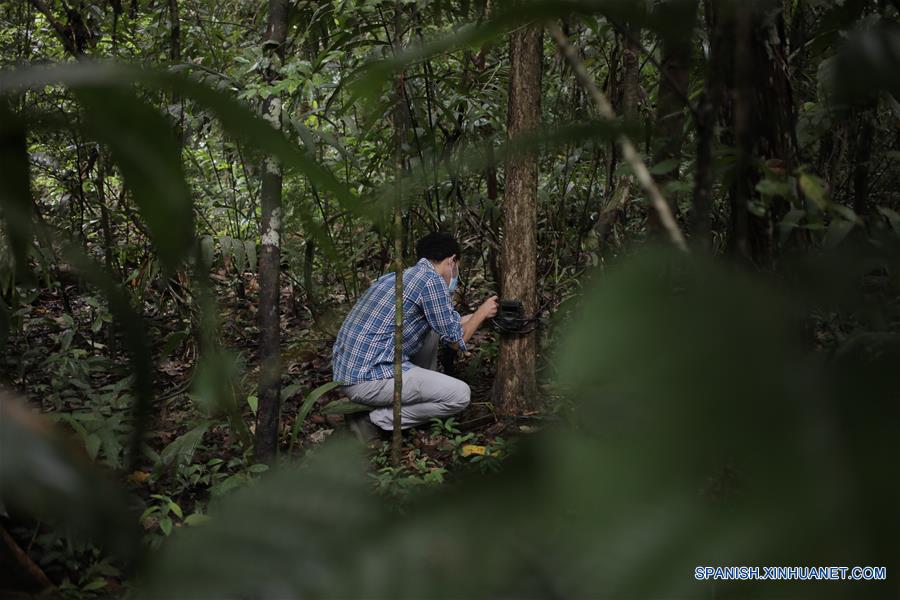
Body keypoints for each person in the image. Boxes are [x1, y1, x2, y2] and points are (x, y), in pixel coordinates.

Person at [332, 232, 498, 440]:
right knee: (460, 395)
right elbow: (457, 342)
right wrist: (482, 312)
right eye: (457, 266)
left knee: (432, 331)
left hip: (352, 374)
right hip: (369, 379)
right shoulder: (432, 281)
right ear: (452, 260)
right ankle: (375, 420)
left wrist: (481, 314)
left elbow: (447, 325)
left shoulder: (401, 276)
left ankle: (418, 395)